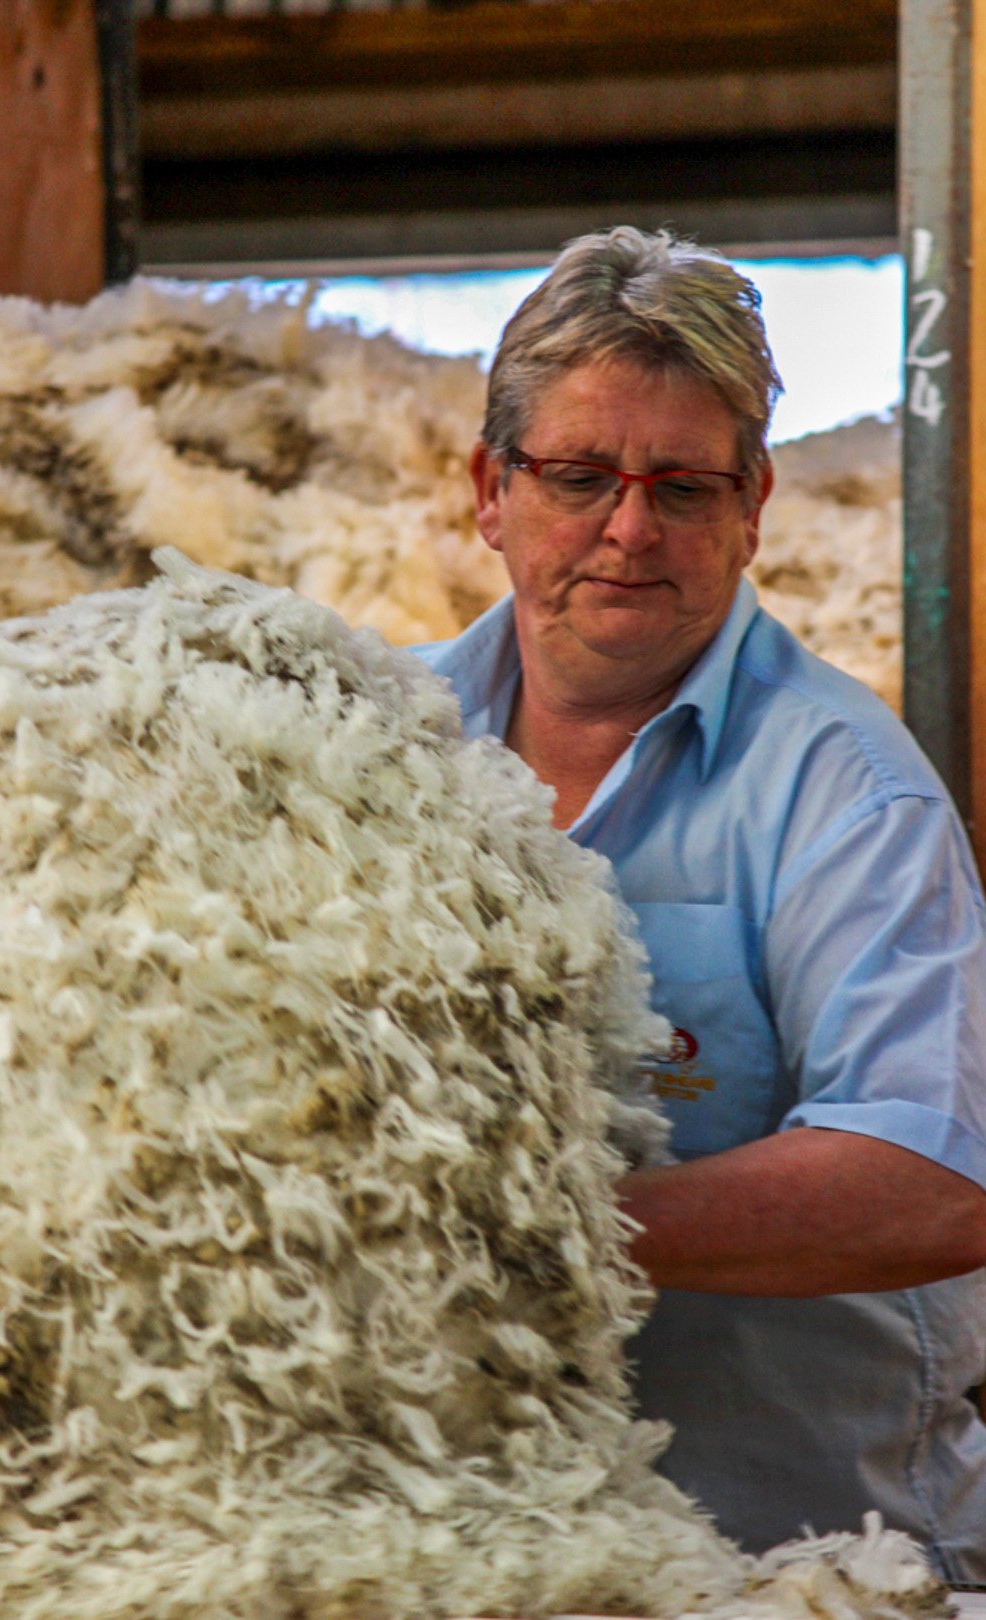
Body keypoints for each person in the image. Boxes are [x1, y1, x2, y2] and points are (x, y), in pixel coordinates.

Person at [412, 226, 986, 1582]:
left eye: (681, 487)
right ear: (491, 489)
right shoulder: (368, 750)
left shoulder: (846, 795)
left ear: (752, 507)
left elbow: (938, 1177)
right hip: (465, 1555)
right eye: (580, 477)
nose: (628, 529)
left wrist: (513, 1226)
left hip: (800, 1565)